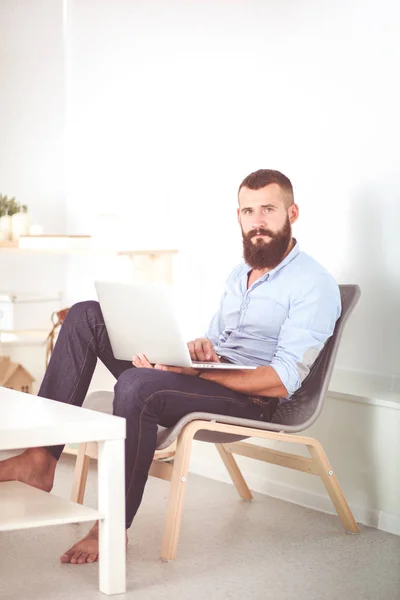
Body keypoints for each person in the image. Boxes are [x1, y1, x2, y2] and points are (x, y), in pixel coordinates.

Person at [0, 169, 341, 564]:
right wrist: (194, 353)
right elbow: (219, 342)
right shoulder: (240, 274)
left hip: (254, 400)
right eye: (249, 211)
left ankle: (112, 527)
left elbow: (282, 382)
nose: (258, 221)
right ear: (239, 217)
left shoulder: (312, 283)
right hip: (214, 376)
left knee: (136, 386)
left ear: (292, 212)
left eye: (268, 209)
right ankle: (41, 458)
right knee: (85, 315)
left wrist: (194, 372)